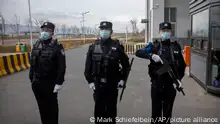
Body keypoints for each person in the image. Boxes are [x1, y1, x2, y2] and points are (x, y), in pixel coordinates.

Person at [135, 22, 186, 124]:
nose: (165, 33)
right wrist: (151, 56)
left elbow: (182, 65)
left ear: (170, 32)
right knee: (156, 115)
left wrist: (179, 80)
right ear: (159, 32)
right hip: (156, 85)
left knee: (167, 115)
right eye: (163, 31)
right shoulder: (154, 46)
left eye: (167, 31)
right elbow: (138, 52)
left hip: (170, 86)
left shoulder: (176, 47)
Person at [84, 21, 129, 124]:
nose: (104, 31)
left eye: (106, 29)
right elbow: (87, 67)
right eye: (102, 29)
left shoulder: (117, 47)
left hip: (112, 84)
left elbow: (126, 65)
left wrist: (122, 79)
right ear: (100, 31)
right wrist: (90, 82)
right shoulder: (93, 47)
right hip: (98, 84)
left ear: (111, 31)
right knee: (99, 111)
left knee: (111, 111)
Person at [29, 21, 66, 124]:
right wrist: (31, 78)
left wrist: (59, 83)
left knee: (52, 108)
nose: (44, 32)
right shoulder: (36, 45)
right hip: (37, 83)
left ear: (52, 33)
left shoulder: (57, 47)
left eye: (48, 30)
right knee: (42, 108)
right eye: (43, 30)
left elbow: (61, 67)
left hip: (50, 84)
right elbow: (32, 64)